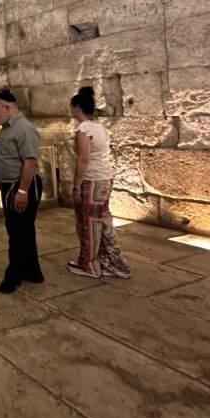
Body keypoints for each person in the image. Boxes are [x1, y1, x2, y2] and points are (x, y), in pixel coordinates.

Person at [68, 86, 131, 279]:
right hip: (105, 178)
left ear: (77, 107)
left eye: (71, 106)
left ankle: (89, 264)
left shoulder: (84, 129)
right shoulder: (100, 126)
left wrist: (77, 185)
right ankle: (113, 263)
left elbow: (83, 159)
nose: (70, 110)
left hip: (91, 179)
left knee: (88, 223)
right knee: (103, 222)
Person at [0, 89, 43, 293]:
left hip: (20, 186)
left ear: (7, 107)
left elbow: (30, 162)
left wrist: (22, 192)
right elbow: (11, 152)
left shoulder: (25, 128)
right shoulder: (7, 128)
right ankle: (32, 271)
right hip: (10, 186)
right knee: (23, 230)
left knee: (18, 233)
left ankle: (13, 276)